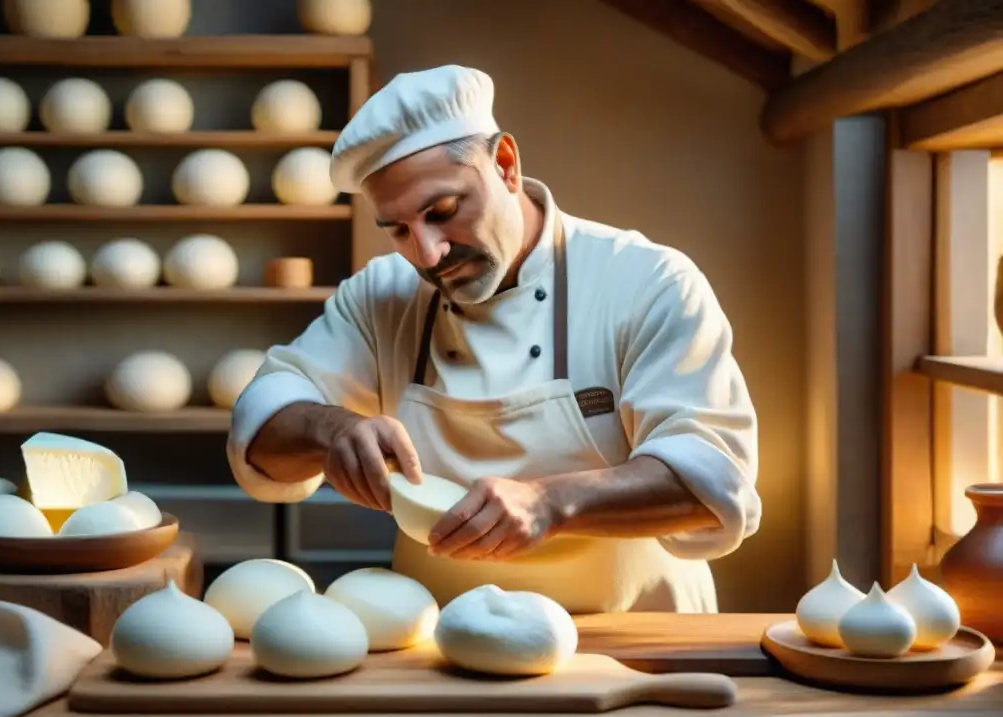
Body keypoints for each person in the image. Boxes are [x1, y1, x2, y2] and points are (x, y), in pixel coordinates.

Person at [227, 64, 761, 614]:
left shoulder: (647, 282)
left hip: (635, 646)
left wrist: (553, 502)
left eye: (443, 211)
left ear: (505, 164)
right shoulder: (380, 296)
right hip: (438, 652)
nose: (428, 253)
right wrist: (330, 428)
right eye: (399, 230)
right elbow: (261, 422)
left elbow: (713, 479)